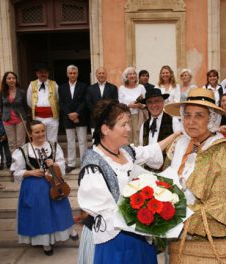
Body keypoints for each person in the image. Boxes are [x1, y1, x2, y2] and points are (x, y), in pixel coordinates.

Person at [77, 100, 180, 264]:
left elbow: (150, 150)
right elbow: (108, 213)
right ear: (106, 129)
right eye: (124, 124)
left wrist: (176, 135)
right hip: (112, 241)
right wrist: (152, 218)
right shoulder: (93, 166)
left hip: (137, 234)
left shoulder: (124, 151)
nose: (129, 129)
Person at [162, 88, 226, 263]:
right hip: (177, 235)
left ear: (211, 118)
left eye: (199, 116)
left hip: (214, 237)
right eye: (187, 115)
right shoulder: (178, 144)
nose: (191, 122)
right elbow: (164, 181)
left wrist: (179, 214)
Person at [10, 120, 77, 256]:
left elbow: (62, 165)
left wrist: (55, 164)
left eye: (42, 131)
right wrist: (30, 172)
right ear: (30, 133)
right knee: (41, 213)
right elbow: (16, 172)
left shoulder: (53, 146)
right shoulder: (23, 150)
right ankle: (45, 242)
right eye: (37, 132)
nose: (41, 134)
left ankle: (67, 231)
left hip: (54, 183)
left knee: (60, 208)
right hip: (34, 186)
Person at [139, 88, 180, 171]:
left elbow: (178, 147)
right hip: (147, 171)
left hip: (167, 170)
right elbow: (142, 147)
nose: (153, 105)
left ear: (163, 102)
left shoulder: (173, 121)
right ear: (146, 105)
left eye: (157, 101)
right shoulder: (144, 125)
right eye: (150, 102)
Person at [59, 65, 89, 173]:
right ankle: (71, 163)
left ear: (77, 74)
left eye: (74, 73)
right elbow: (61, 103)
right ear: (67, 74)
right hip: (67, 118)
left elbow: (85, 101)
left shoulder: (84, 86)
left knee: (82, 141)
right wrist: (69, 114)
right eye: (70, 73)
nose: (72, 75)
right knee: (70, 141)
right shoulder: (62, 88)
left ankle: (84, 162)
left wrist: (77, 113)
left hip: (81, 117)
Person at [26, 63, 59, 143]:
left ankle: (52, 155)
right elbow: (29, 101)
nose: (43, 74)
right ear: (37, 73)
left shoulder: (54, 84)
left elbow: (58, 100)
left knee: (53, 140)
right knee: (40, 140)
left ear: (48, 73)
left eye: (45, 72)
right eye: (41, 72)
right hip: (38, 117)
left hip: (52, 118)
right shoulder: (32, 84)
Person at [0, 71, 28, 156]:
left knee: (20, 143)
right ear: (5, 80)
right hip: (7, 120)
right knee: (11, 143)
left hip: (20, 119)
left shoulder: (21, 92)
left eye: (13, 78)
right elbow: (1, 106)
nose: (11, 80)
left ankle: (22, 162)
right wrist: (4, 116)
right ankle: (15, 163)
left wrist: (26, 117)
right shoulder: (1, 92)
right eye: (9, 78)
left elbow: (25, 106)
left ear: (16, 80)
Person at [118, 67, 146, 145]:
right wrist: (129, 105)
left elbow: (145, 103)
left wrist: (139, 105)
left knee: (138, 137)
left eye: (134, 73)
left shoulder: (141, 87)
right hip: (126, 115)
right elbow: (120, 104)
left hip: (138, 115)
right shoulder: (122, 88)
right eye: (130, 74)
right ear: (126, 76)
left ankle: (139, 155)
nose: (132, 75)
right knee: (127, 136)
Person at [86, 67, 118, 132]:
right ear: (96, 75)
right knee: (96, 141)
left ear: (106, 75)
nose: (101, 75)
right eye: (99, 73)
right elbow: (88, 103)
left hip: (108, 119)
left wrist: (106, 112)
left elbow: (115, 103)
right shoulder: (90, 88)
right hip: (95, 119)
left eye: (103, 73)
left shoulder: (113, 88)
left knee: (108, 141)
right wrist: (97, 112)